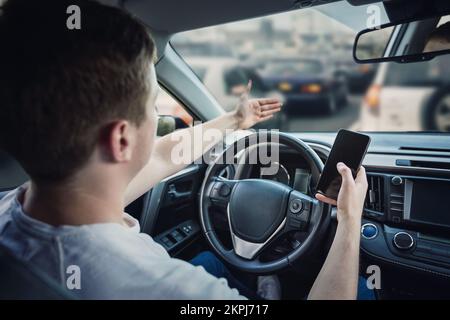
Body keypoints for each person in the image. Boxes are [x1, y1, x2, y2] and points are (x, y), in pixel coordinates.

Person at [0, 0, 368, 299]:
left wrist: (233, 121)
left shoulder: (19, 207)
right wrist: (350, 224)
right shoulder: (164, 287)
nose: (157, 120)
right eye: (153, 109)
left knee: (209, 259)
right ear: (121, 140)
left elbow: (164, 155)